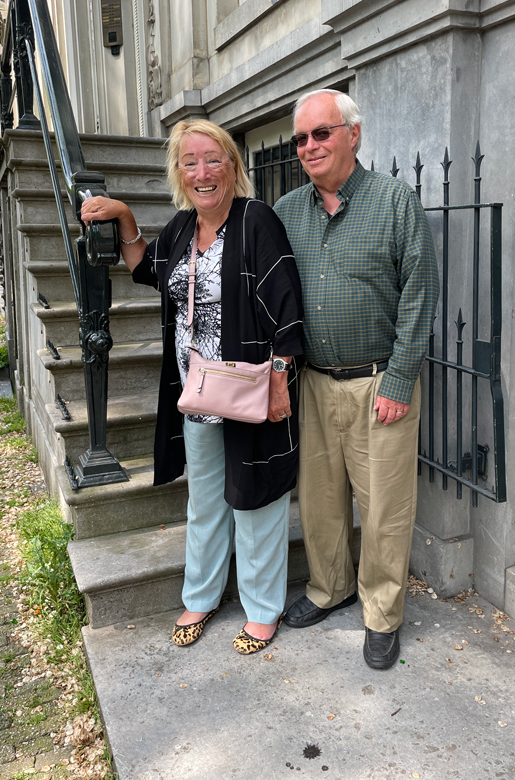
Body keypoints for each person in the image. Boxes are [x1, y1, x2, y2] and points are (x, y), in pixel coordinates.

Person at [80, 119, 304, 654]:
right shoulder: (182, 228)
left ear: (232, 166)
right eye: (190, 162)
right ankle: (201, 596)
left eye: (213, 159)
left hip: (249, 389)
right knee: (205, 502)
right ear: (179, 174)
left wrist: (279, 384)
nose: (202, 172)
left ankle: (261, 607)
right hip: (198, 395)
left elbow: (288, 309)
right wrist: (126, 217)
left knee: (256, 500)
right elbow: (148, 271)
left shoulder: (257, 221)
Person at [273, 89, 439, 670]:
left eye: (322, 133)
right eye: (301, 138)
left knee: (386, 507)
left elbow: (419, 296)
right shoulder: (287, 212)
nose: (310, 146)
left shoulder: (396, 202)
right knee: (319, 503)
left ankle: (382, 613)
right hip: (314, 383)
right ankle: (329, 587)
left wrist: (399, 379)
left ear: (353, 134)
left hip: (380, 383)